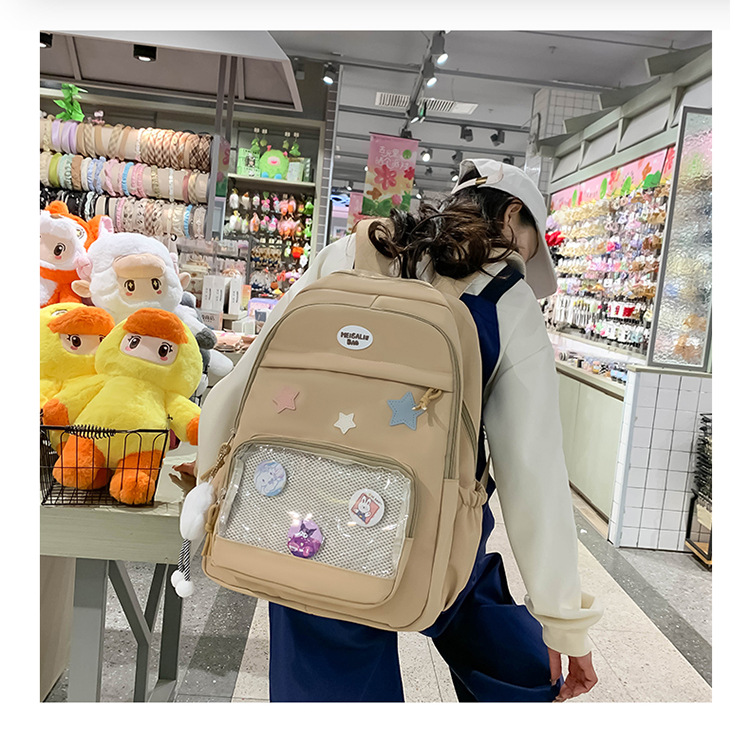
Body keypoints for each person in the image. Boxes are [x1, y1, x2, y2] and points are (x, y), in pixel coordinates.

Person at [193, 158, 603, 702]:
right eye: (532, 244)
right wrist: (561, 619)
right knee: (482, 615)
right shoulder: (506, 295)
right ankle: (527, 683)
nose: (525, 258)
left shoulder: (350, 252)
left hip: (312, 508)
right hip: (436, 518)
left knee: (328, 669)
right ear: (511, 215)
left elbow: (248, 377)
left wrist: (207, 485)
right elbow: (533, 469)